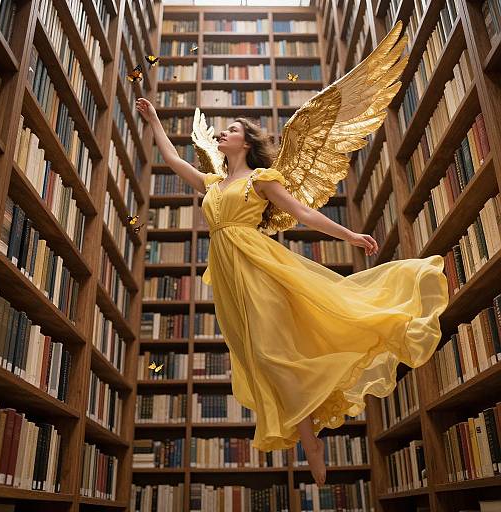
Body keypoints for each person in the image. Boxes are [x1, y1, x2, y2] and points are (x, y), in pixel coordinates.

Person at [135, 22, 449, 489]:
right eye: (222, 130)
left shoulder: (262, 180)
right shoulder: (213, 182)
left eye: (231, 129)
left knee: (274, 348)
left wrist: (349, 235)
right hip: (226, 274)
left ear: (247, 142)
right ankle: (308, 434)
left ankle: (313, 440)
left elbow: (303, 213)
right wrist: (155, 121)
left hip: (258, 265)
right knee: (258, 357)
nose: (222, 134)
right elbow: (176, 161)